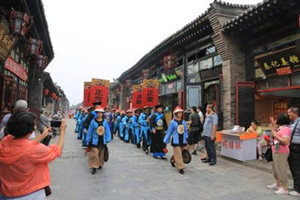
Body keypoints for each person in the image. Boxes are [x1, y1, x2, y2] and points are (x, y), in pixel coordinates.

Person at [0, 111, 67, 199]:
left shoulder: (5, 142)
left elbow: (22, 145)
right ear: (30, 129)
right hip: (31, 194)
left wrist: (43, 136)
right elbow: (57, 150)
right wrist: (62, 132)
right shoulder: (35, 150)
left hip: (6, 194)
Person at [267, 113, 291, 195]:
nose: (276, 120)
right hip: (276, 149)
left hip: (282, 151)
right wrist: (273, 125)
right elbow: (273, 132)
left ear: (281, 120)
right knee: (275, 167)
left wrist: (276, 136)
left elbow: (285, 141)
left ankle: (284, 188)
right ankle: (277, 184)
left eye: (277, 118)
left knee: (281, 168)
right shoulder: (280, 128)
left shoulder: (286, 129)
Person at [85, 106, 111, 174]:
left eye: (101, 113)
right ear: (96, 113)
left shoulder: (105, 121)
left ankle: (99, 164)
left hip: (102, 140)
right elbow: (90, 131)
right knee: (95, 154)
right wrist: (88, 139)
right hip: (94, 140)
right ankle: (94, 166)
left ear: (103, 114)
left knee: (101, 154)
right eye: (98, 113)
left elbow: (107, 130)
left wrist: (108, 138)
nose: (99, 114)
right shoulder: (93, 121)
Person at [164, 106, 188, 174]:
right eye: (178, 113)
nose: (180, 114)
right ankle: (180, 168)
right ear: (175, 114)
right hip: (176, 140)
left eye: (181, 112)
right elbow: (169, 132)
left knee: (181, 153)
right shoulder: (172, 122)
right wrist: (166, 141)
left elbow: (185, 131)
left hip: (183, 139)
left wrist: (187, 139)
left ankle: (172, 160)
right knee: (178, 153)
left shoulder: (183, 122)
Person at [287, 107, 300, 197]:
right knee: (293, 167)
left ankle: (298, 190)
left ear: (295, 113)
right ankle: (296, 187)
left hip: (297, 147)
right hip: (292, 146)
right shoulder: (293, 123)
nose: (288, 115)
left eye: (289, 113)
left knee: (296, 168)